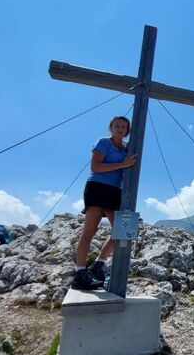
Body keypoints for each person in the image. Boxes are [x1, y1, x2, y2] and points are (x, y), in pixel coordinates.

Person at [72, 115, 137, 290]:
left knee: (121, 231)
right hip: (97, 186)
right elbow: (96, 167)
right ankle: (79, 273)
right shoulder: (103, 142)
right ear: (111, 127)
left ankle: (98, 265)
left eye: (124, 127)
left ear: (128, 130)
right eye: (117, 126)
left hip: (116, 191)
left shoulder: (127, 148)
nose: (120, 129)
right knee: (90, 230)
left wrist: (126, 162)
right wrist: (123, 164)